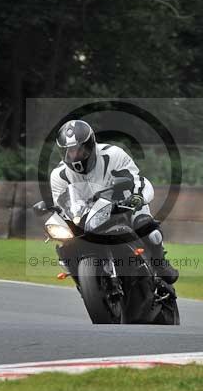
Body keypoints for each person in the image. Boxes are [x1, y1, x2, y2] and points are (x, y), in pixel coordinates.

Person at [50, 119, 179, 285]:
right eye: (70, 151)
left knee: (146, 226)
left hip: (122, 205)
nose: (75, 155)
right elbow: (61, 205)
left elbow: (136, 179)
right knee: (66, 246)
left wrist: (137, 197)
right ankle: (85, 285)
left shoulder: (113, 155)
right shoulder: (58, 175)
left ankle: (160, 263)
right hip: (86, 218)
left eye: (79, 149)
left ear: (90, 144)